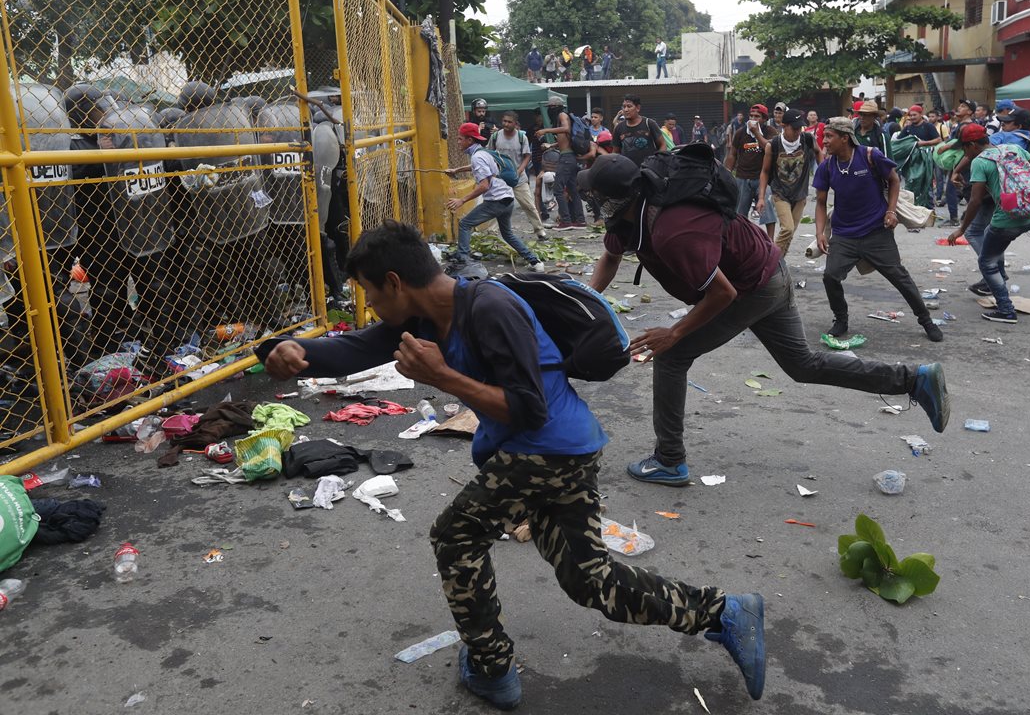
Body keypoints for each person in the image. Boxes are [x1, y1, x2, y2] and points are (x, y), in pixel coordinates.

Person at [258, 220, 767, 710]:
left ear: (395, 282)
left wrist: (443, 377)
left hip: (547, 447)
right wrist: (280, 349)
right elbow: (353, 349)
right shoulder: (420, 316)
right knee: (588, 579)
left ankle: (490, 667)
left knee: (455, 536)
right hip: (552, 450)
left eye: (369, 292)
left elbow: (529, 409)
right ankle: (725, 612)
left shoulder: (492, 309)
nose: (369, 304)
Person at [581, 153, 950, 486]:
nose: (589, 201)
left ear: (616, 198)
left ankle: (669, 460)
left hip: (753, 287)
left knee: (671, 356)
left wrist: (674, 332)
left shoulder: (673, 230)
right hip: (767, 271)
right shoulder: (631, 214)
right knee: (803, 365)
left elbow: (722, 295)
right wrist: (583, 302)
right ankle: (913, 379)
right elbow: (611, 257)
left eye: (594, 195)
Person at [814, 118, 943, 342]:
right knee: (830, 276)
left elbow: (894, 180)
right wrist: (820, 233)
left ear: (844, 138)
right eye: (824, 136)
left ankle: (926, 321)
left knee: (900, 278)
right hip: (844, 234)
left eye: (829, 136)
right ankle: (841, 319)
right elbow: (820, 202)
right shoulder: (827, 166)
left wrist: (891, 211)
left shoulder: (870, 155)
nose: (824, 141)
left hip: (876, 232)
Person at [948, 124, 1030, 324]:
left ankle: (1006, 310)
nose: (964, 153)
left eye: (964, 148)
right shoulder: (1013, 148)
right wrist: (1026, 192)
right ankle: (999, 274)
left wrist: (961, 229)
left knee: (986, 263)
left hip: (1007, 220)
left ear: (972, 145)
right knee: (990, 238)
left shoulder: (980, 161)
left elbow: (975, 201)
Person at [444, 122, 544, 273]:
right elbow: (478, 167)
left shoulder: (477, 157)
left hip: (496, 201)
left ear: (469, 140)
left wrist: (461, 200)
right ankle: (535, 261)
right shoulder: (484, 152)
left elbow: (484, 185)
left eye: (460, 138)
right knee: (507, 234)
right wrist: (457, 170)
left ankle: (463, 261)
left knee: (465, 224)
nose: (458, 142)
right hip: (507, 198)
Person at [759, 109, 817, 256]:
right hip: (780, 193)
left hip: (800, 194)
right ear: (784, 126)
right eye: (795, 128)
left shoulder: (807, 139)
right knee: (788, 228)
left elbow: (819, 152)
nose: (798, 132)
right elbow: (765, 171)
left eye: (800, 128)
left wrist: (823, 174)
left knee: (790, 233)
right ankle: (771, 259)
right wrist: (761, 198)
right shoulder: (773, 145)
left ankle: (779, 261)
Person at [488, 111, 547, 241]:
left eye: (509, 122)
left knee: (528, 205)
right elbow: (490, 154)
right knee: (495, 205)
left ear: (515, 124)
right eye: (504, 121)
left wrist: (519, 171)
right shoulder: (496, 136)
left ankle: (540, 231)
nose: (506, 124)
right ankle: (491, 233)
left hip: (519, 179)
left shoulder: (521, 137)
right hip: (501, 179)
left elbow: (527, 156)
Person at [726, 104, 778, 240]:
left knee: (767, 210)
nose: (753, 119)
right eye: (751, 116)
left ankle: (770, 241)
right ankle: (740, 241)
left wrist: (756, 133)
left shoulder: (770, 131)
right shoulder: (740, 132)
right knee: (739, 214)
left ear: (764, 119)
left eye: (757, 116)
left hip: (763, 179)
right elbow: (732, 154)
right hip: (742, 177)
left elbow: (768, 147)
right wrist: (727, 173)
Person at [535, 96, 587, 229]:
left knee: (558, 189)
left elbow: (566, 129)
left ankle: (566, 221)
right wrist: (552, 145)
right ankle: (580, 221)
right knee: (572, 190)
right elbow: (565, 139)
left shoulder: (562, 115)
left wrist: (545, 130)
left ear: (557, 107)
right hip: (570, 157)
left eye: (551, 107)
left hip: (566, 158)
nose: (550, 110)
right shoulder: (562, 116)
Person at [611, 94, 666, 167]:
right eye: (624, 107)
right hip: (628, 170)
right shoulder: (619, 128)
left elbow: (663, 145)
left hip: (648, 170)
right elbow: (615, 152)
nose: (626, 110)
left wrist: (657, 162)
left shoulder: (649, 123)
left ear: (638, 108)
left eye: (629, 106)